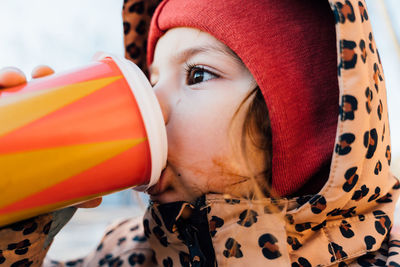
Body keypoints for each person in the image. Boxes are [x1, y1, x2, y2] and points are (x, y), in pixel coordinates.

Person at [0, 0, 399, 266]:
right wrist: (22, 233)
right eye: (151, 79)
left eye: (197, 74)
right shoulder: (123, 252)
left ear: (300, 123)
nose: (152, 104)